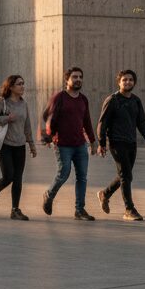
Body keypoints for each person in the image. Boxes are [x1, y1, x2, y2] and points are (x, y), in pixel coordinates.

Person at [97, 69, 145, 222]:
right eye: (124, 80)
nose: (128, 82)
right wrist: (101, 143)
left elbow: (142, 122)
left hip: (131, 143)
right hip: (116, 143)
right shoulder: (112, 100)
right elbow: (102, 122)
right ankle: (129, 209)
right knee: (126, 176)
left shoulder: (136, 101)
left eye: (130, 79)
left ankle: (105, 194)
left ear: (134, 82)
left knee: (125, 175)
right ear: (119, 82)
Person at [42, 66, 98, 220]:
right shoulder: (59, 97)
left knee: (82, 177)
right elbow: (47, 115)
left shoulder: (83, 99)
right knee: (63, 174)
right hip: (62, 145)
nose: (78, 79)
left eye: (80, 77)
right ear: (67, 80)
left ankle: (79, 210)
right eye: (74, 77)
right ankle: (49, 194)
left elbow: (87, 121)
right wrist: (49, 136)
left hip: (80, 145)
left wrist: (93, 141)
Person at [0, 75, 38, 220]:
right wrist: (7, 118)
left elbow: (27, 125)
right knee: (8, 176)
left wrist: (31, 144)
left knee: (18, 178)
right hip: (4, 145)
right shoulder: (1, 101)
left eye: (23, 83)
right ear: (11, 86)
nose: (22, 86)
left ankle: (15, 210)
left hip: (20, 145)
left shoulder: (23, 104)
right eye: (19, 84)